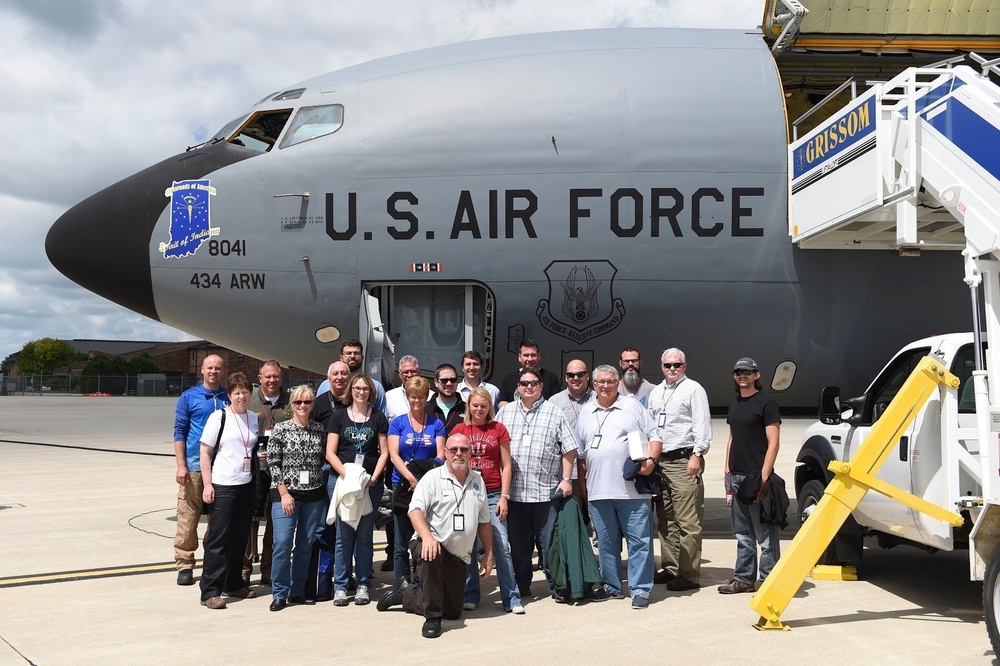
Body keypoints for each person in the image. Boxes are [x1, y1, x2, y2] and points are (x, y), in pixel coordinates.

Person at [376, 433, 493, 639]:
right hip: (429, 543)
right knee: (432, 553)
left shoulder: (477, 481)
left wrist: (489, 553)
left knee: (453, 611)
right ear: (445, 452)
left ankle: (405, 595)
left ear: (471, 453)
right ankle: (432, 619)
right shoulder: (432, 477)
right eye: (454, 450)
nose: (459, 454)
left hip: (458, 556)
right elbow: (415, 510)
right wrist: (427, 537)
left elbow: (484, 521)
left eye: (464, 450)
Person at [576, 365, 662, 609]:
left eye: (611, 381)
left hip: (632, 491)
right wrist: (585, 490)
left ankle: (640, 590)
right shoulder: (586, 411)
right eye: (601, 382)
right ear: (593, 385)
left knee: (640, 542)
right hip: (598, 491)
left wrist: (651, 460)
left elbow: (655, 435)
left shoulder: (632, 406)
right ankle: (612, 587)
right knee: (606, 543)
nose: (606, 386)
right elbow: (581, 456)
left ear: (618, 383)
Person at [496, 368, 576, 598]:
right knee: (519, 547)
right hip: (515, 493)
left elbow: (569, 448)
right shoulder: (505, 413)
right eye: (524, 383)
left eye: (533, 383)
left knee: (549, 544)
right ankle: (522, 585)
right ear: (517, 387)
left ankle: (556, 585)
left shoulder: (555, 412)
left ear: (541, 386)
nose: (528, 387)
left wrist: (566, 479)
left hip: (545, 492)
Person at [452, 387, 523, 614]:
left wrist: (504, 496)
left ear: (489, 407)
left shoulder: (498, 429)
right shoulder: (460, 429)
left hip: (492, 493)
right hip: (467, 493)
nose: (479, 409)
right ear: (469, 406)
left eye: (484, 406)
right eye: (475, 405)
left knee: (501, 545)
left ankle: (511, 597)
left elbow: (506, 464)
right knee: (468, 545)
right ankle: (470, 594)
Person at [646, 348, 711, 591]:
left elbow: (701, 425)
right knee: (666, 518)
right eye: (667, 365)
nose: (672, 369)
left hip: (684, 460)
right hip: (661, 461)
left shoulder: (693, 389)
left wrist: (697, 456)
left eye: (677, 365)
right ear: (661, 366)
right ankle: (671, 567)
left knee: (688, 520)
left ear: (685, 366)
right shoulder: (656, 392)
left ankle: (689, 574)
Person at [718, 357, 782, 595]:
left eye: (747, 371)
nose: (742, 375)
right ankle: (744, 579)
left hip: (757, 478)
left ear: (757, 375)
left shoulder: (767, 403)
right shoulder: (734, 403)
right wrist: (727, 469)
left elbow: (773, 443)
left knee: (766, 537)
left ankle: (768, 583)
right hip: (735, 477)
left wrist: (764, 478)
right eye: (738, 372)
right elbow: (733, 437)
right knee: (743, 534)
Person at [326, 373, 390, 607]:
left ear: (371, 392)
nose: (361, 392)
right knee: (343, 537)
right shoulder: (339, 416)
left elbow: (384, 451)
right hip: (344, 483)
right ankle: (341, 585)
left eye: (365, 388)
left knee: (364, 536)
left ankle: (363, 583)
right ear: (350, 390)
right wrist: (347, 476)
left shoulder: (379, 417)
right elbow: (330, 452)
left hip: (368, 484)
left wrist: (373, 478)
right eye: (357, 388)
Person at [199, 372, 259, 609]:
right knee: (218, 539)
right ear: (229, 394)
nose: (241, 396)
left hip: (245, 484)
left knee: (239, 537)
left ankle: (232, 583)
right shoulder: (219, 417)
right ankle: (210, 591)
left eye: (245, 391)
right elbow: (205, 452)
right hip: (223, 484)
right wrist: (207, 484)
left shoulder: (252, 417)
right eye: (236, 392)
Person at [266, 385, 327, 611]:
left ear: (312, 405)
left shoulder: (319, 430)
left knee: (304, 545)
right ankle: (279, 592)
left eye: (307, 402)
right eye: (298, 402)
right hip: (285, 496)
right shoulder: (280, 429)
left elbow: (322, 458)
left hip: (314, 495)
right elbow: (272, 463)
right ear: (291, 405)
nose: (303, 406)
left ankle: (297, 590)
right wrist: (284, 493)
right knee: (282, 543)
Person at [172, 354, 229, 586]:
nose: (213, 371)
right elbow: (179, 431)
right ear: (202, 370)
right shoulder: (189, 397)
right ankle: (185, 563)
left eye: (217, 368)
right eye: (210, 368)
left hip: (222, 469)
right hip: (195, 466)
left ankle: (211, 561)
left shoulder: (228, 397)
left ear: (222, 371)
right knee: (188, 517)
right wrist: (181, 465)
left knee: (217, 520)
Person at [388, 376, 447, 583]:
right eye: (413, 397)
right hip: (402, 484)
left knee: (423, 534)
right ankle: (402, 580)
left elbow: (441, 454)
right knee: (401, 536)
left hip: (429, 485)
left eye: (421, 397)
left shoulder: (436, 424)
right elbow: (394, 455)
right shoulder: (398, 423)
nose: (417, 401)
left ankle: (420, 578)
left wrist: (423, 480)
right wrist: (411, 478)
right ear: (408, 397)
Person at [244, 360, 291, 587]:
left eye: (276, 376)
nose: (272, 380)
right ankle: (244, 568)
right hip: (253, 469)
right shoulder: (249, 400)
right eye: (267, 376)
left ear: (281, 377)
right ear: (259, 377)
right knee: (248, 520)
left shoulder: (291, 401)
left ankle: (268, 570)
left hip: (279, 470)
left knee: (274, 522)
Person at [548, 360, 593, 512]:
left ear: (588, 376)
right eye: (571, 375)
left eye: (580, 374)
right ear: (566, 378)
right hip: (566, 469)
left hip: (593, 467)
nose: (575, 378)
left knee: (596, 514)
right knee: (572, 515)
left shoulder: (598, 398)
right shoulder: (554, 401)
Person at [316, 340, 387, 413]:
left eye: (356, 353)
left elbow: (382, 418)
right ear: (341, 358)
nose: (352, 356)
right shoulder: (325, 385)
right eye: (348, 353)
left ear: (362, 358)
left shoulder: (376, 387)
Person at [497, 339, 561, 407]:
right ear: (519, 357)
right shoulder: (508, 379)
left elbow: (556, 402)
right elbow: (503, 403)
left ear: (539, 356)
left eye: (533, 355)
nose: (530, 359)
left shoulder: (551, 378)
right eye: (526, 355)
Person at [385, 356, 432, 420]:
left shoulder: (431, 396)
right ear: (400, 374)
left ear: (419, 372)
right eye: (406, 372)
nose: (409, 375)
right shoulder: (389, 397)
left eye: (413, 371)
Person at [428, 363, 467, 434]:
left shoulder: (467, 409)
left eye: (453, 380)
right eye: (444, 380)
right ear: (436, 382)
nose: (449, 383)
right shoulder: (425, 409)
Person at [313, 361, 351, 428]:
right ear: (328, 378)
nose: (339, 377)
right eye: (335, 374)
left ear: (349, 377)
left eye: (343, 373)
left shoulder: (357, 401)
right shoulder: (318, 403)